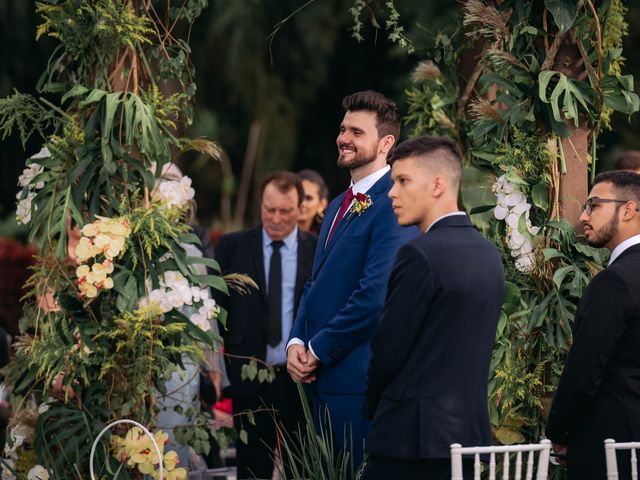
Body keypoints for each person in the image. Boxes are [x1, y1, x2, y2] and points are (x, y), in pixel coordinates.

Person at [287, 90, 418, 471]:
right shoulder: (336, 206)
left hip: (358, 386)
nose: (344, 138)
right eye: (344, 129)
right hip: (321, 383)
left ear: (386, 143)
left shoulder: (393, 205)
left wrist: (317, 348)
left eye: (357, 132)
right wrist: (296, 339)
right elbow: (315, 285)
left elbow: (374, 297)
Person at [360, 135, 505, 480]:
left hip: (411, 442)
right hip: (466, 440)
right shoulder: (490, 255)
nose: (392, 192)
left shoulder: (419, 254)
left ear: (438, 184)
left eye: (403, 181)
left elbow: (389, 348)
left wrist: (371, 405)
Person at [215, 171, 317, 479]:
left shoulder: (316, 250)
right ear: (260, 205)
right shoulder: (232, 247)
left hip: (300, 377)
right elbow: (217, 310)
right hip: (249, 376)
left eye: (285, 211)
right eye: (269, 209)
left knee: (302, 466)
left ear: (300, 209)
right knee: (251, 468)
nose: (275, 218)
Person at [546, 170, 640, 480]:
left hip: (613, 445)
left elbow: (584, 370)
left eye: (594, 205)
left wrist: (558, 431)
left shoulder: (615, 281)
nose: (584, 216)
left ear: (629, 210)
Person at [297, 169, 329, 235]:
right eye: (298, 196)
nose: (302, 203)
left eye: (308, 198)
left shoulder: (326, 238)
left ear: (322, 204)